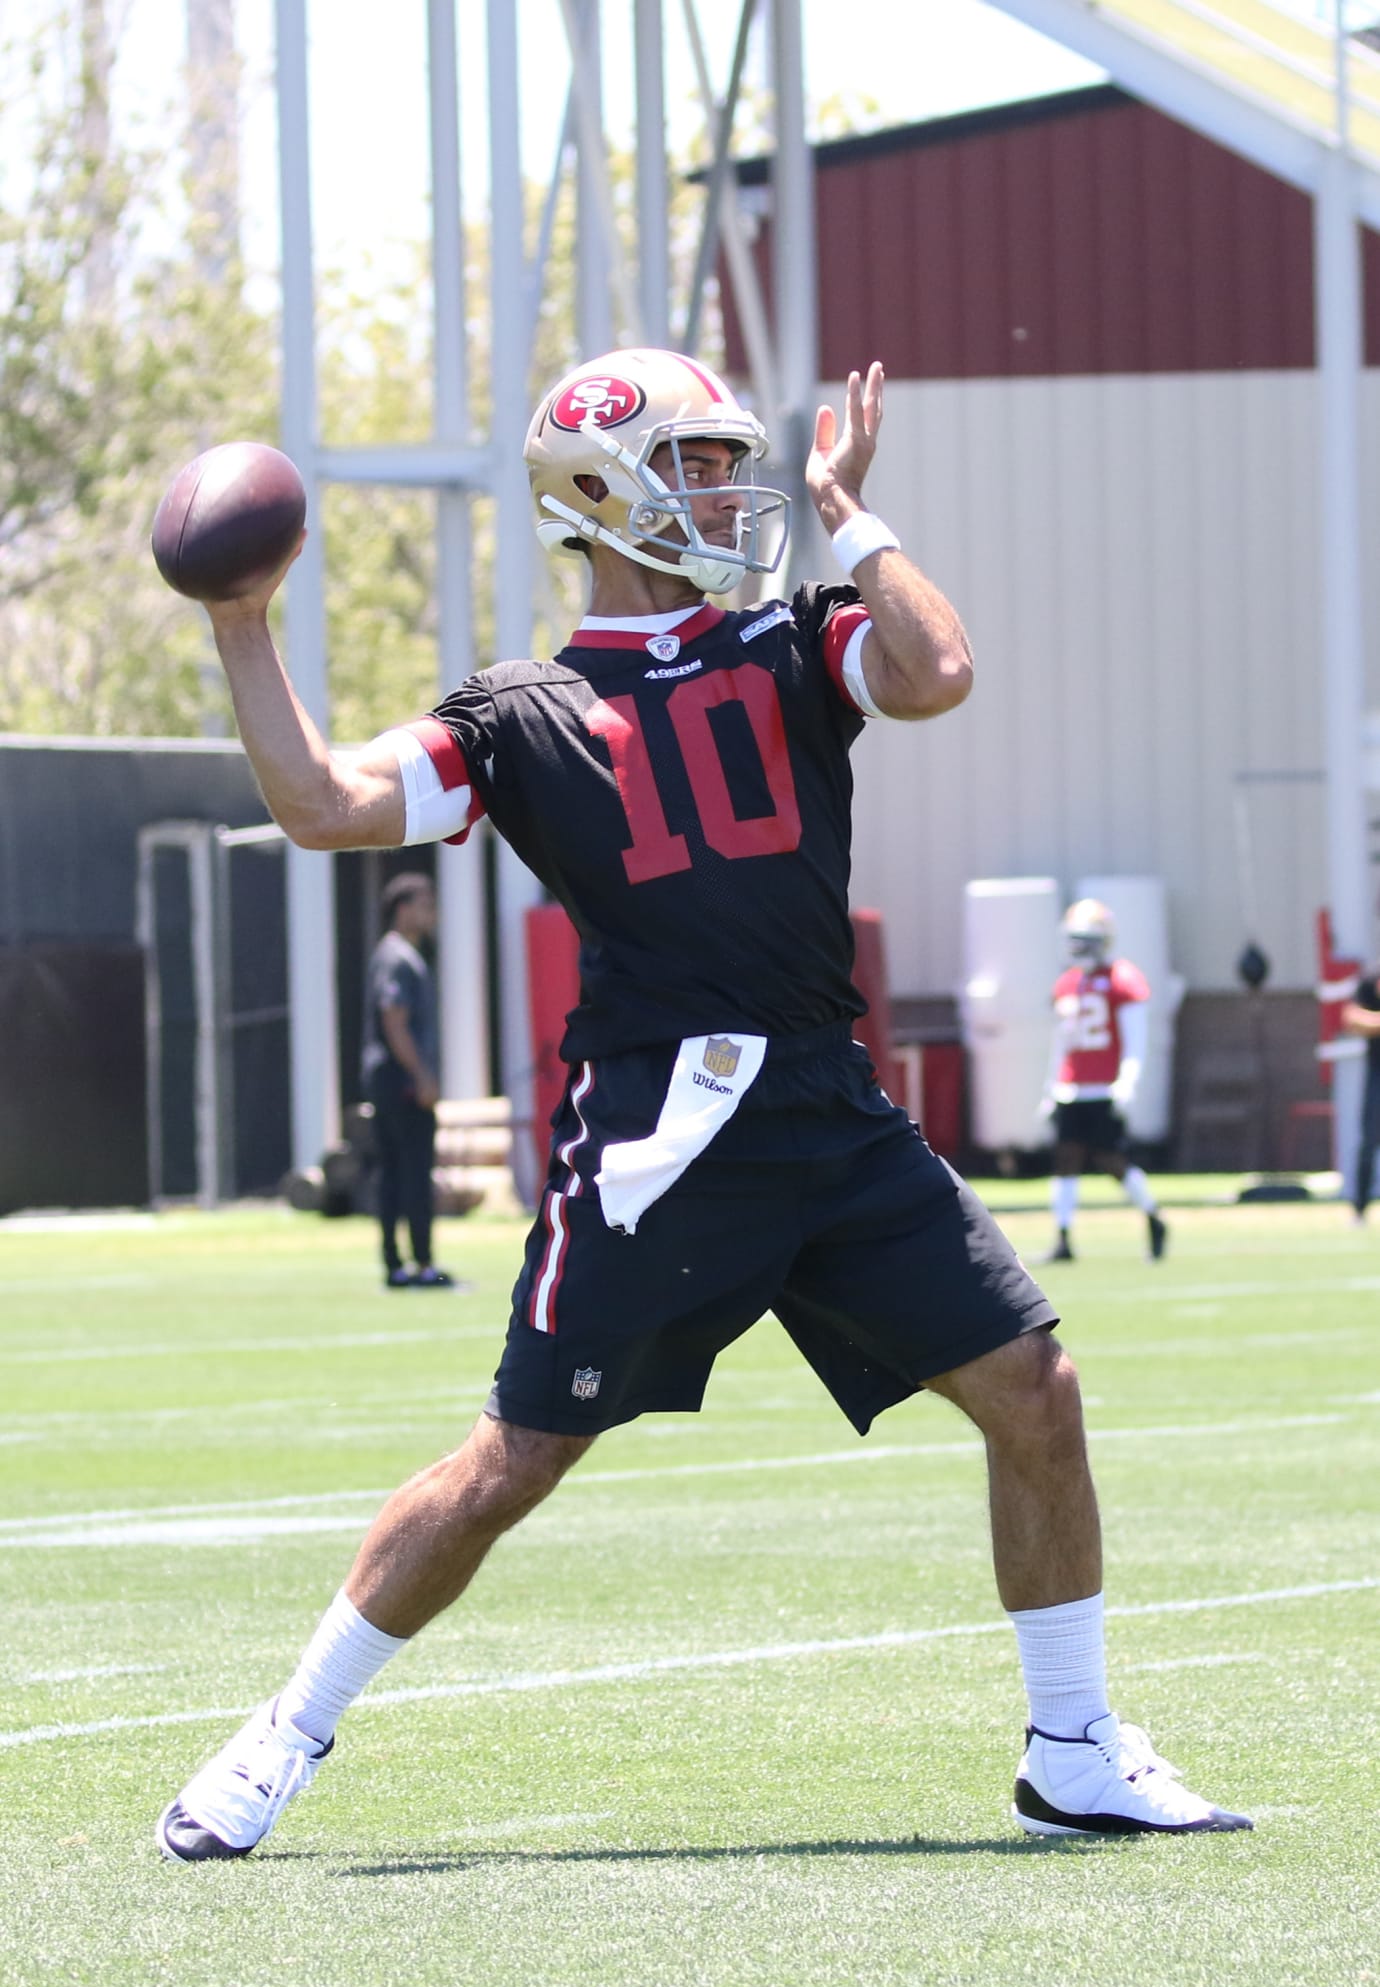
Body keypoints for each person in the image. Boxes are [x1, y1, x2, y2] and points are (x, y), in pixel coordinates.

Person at [155, 349, 1248, 1862]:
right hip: (664, 1131)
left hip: (828, 1100)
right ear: (602, 495)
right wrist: (242, 625)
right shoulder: (521, 712)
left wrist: (855, 513)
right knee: (508, 1464)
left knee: (1034, 1393)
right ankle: (284, 1734)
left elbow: (936, 671)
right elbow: (327, 803)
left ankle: (1074, 1746)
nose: (736, 490)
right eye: (701, 463)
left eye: (735, 462)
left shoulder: (794, 644)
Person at [1041, 899, 1168, 1265]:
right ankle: (1063, 1239)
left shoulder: (1122, 979)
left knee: (1112, 1159)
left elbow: (1135, 1038)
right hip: (1071, 1086)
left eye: (1086, 939)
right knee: (1065, 1159)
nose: (1079, 947)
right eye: (1075, 939)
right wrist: (1050, 1087)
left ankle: (1154, 1216)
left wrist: (1128, 1081)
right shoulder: (1067, 984)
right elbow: (1060, 1042)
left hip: (1103, 1087)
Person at [361, 872, 454, 1289]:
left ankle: (398, 1262)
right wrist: (422, 1076)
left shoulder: (401, 954)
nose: (431, 912)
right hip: (400, 1080)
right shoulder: (398, 957)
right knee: (411, 1171)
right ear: (402, 908)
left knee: (398, 1173)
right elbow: (394, 1021)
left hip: (391, 1078)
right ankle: (418, 1263)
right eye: (424, 903)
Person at [1341, 964, 1380, 1220]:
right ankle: (1359, 1209)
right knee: (1369, 1141)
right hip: (1377, 1074)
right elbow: (1352, 1018)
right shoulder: (1368, 984)